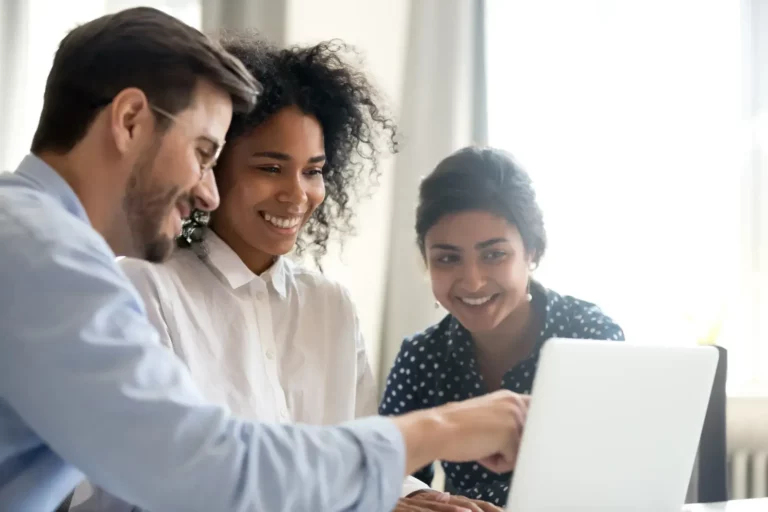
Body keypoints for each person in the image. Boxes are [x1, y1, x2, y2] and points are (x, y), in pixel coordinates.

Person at [0, 8, 529, 512]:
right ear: (131, 120)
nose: (206, 192)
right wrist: (445, 430)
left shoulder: (27, 234)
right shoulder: (50, 259)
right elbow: (205, 467)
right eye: (205, 153)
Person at [380, 146, 625, 507]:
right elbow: (388, 471)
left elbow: (618, 476)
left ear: (532, 252)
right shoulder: (421, 356)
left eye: (494, 254)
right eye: (448, 258)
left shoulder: (590, 337)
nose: (473, 282)